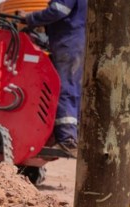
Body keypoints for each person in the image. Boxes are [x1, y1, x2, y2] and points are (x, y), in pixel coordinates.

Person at [23, 0, 87, 157]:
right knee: (74, 88)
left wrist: (31, 18)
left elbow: (58, 10)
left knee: (64, 87)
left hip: (67, 42)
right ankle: (74, 134)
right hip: (76, 40)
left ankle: (67, 138)